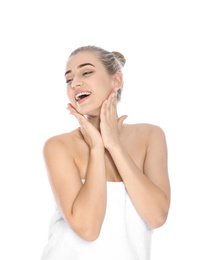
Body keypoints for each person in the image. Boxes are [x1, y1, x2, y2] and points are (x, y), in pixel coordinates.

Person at [40, 45, 170, 260]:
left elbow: (157, 216)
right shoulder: (59, 146)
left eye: (86, 72)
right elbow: (88, 229)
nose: (75, 83)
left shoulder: (150, 136)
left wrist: (115, 146)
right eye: (68, 79)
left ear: (116, 81)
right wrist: (96, 148)